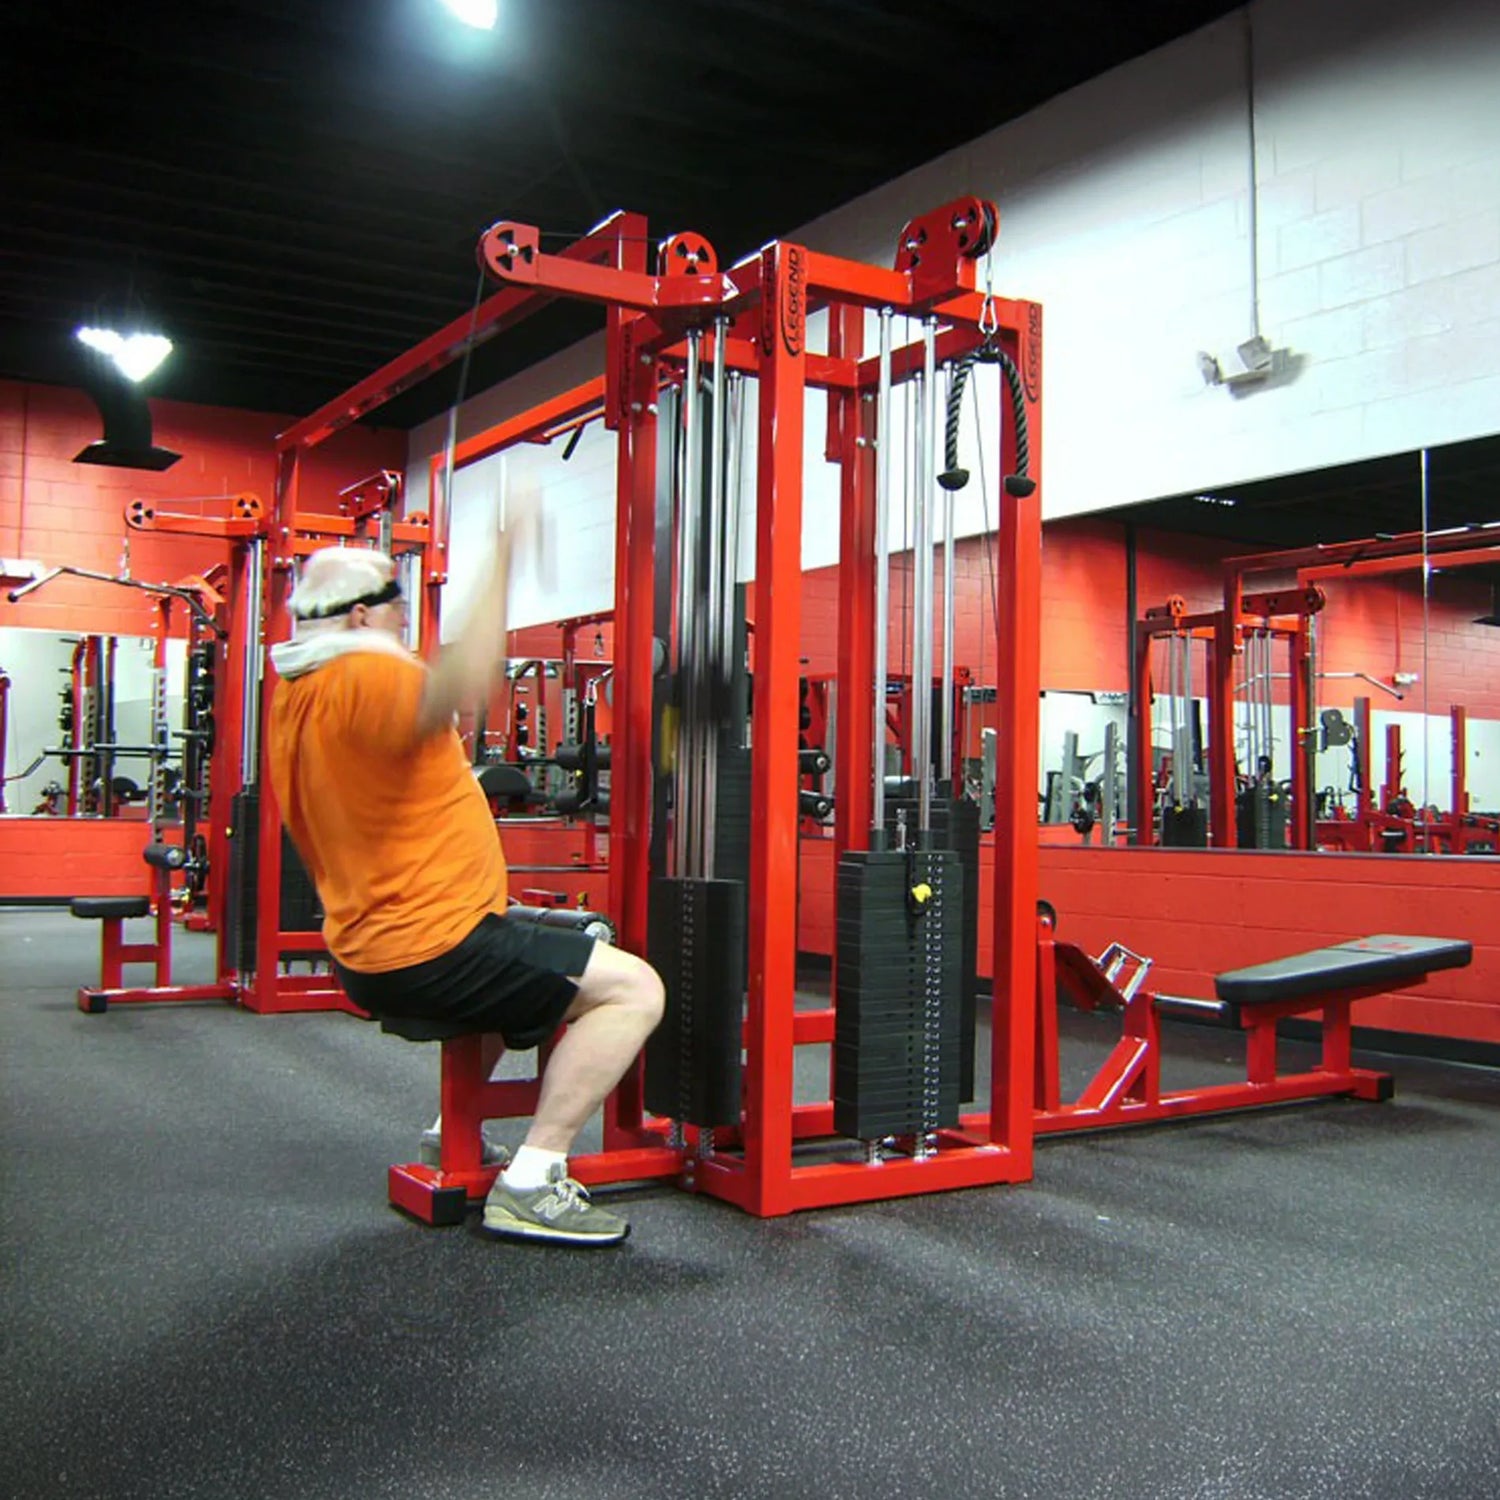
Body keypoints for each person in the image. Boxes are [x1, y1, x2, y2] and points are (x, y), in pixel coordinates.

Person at [267, 519, 664, 1247]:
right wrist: (506, 557)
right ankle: (535, 1179)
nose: (402, 618)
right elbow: (460, 677)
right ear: (360, 614)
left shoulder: (297, 689)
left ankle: (449, 1134)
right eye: (395, 606)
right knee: (635, 988)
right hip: (429, 947)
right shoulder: (369, 673)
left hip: (376, 943)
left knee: (543, 958)